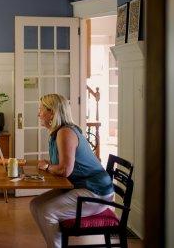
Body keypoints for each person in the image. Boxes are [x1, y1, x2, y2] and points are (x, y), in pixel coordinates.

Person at [30, 94, 114, 248]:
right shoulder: (58, 133)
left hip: (96, 192)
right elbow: (63, 165)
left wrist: (48, 167)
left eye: (41, 110)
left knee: (46, 211)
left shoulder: (65, 133)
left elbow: (64, 170)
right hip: (85, 187)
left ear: (52, 113)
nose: (38, 114)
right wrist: (50, 165)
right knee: (35, 204)